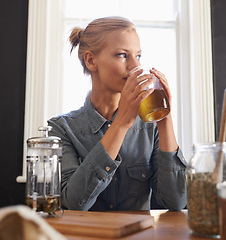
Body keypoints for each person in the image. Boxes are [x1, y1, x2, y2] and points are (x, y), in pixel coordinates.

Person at [48, 16, 187, 211]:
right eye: (122, 55)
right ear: (91, 60)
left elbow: (176, 202)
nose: (135, 66)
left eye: (138, 56)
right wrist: (121, 124)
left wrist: (165, 120)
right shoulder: (61, 129)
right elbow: (73, 203)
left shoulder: (150, 126)